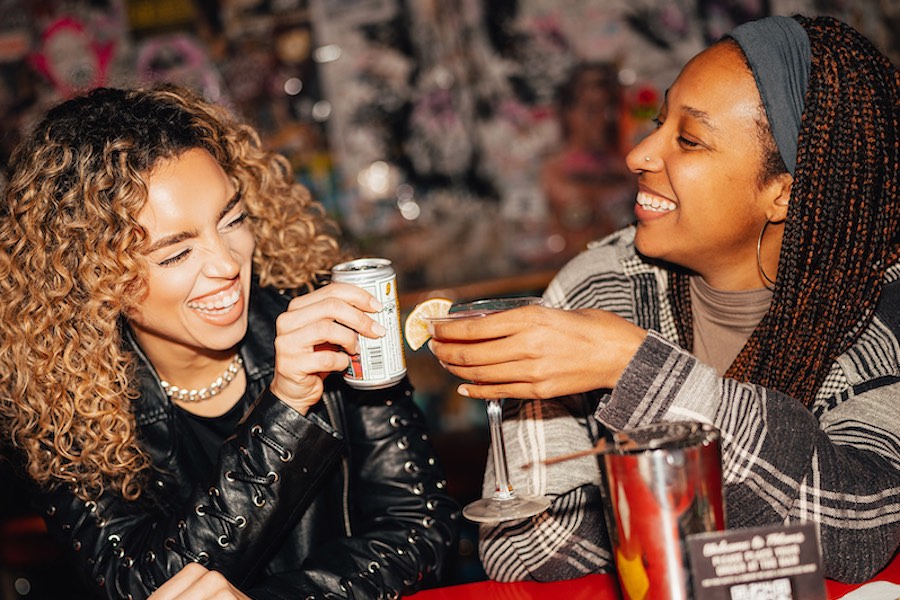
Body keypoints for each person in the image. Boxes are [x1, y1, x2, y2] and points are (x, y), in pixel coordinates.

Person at [428, 15, 899, 584]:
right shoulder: (599, 286)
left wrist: (636, 371)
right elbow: (522, 550)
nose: (639, 154)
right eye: (659, 121)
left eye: (689, 139)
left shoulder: (877, 311)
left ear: (783, 193)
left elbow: (859, 522)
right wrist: (734, 499)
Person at [0, 85, 459, 599]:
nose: (227, 265)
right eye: (175, 253)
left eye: (233, 220)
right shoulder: (61, 407)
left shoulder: (323, 324)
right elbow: (137, 589)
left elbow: (423, 533)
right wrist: (285, 413)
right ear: (92, 276)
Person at [539, 62, 635, 264]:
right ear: (568, 113)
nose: (603, 120)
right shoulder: (549, 171)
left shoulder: (630, 166)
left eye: (610, 109)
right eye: (592, 110)